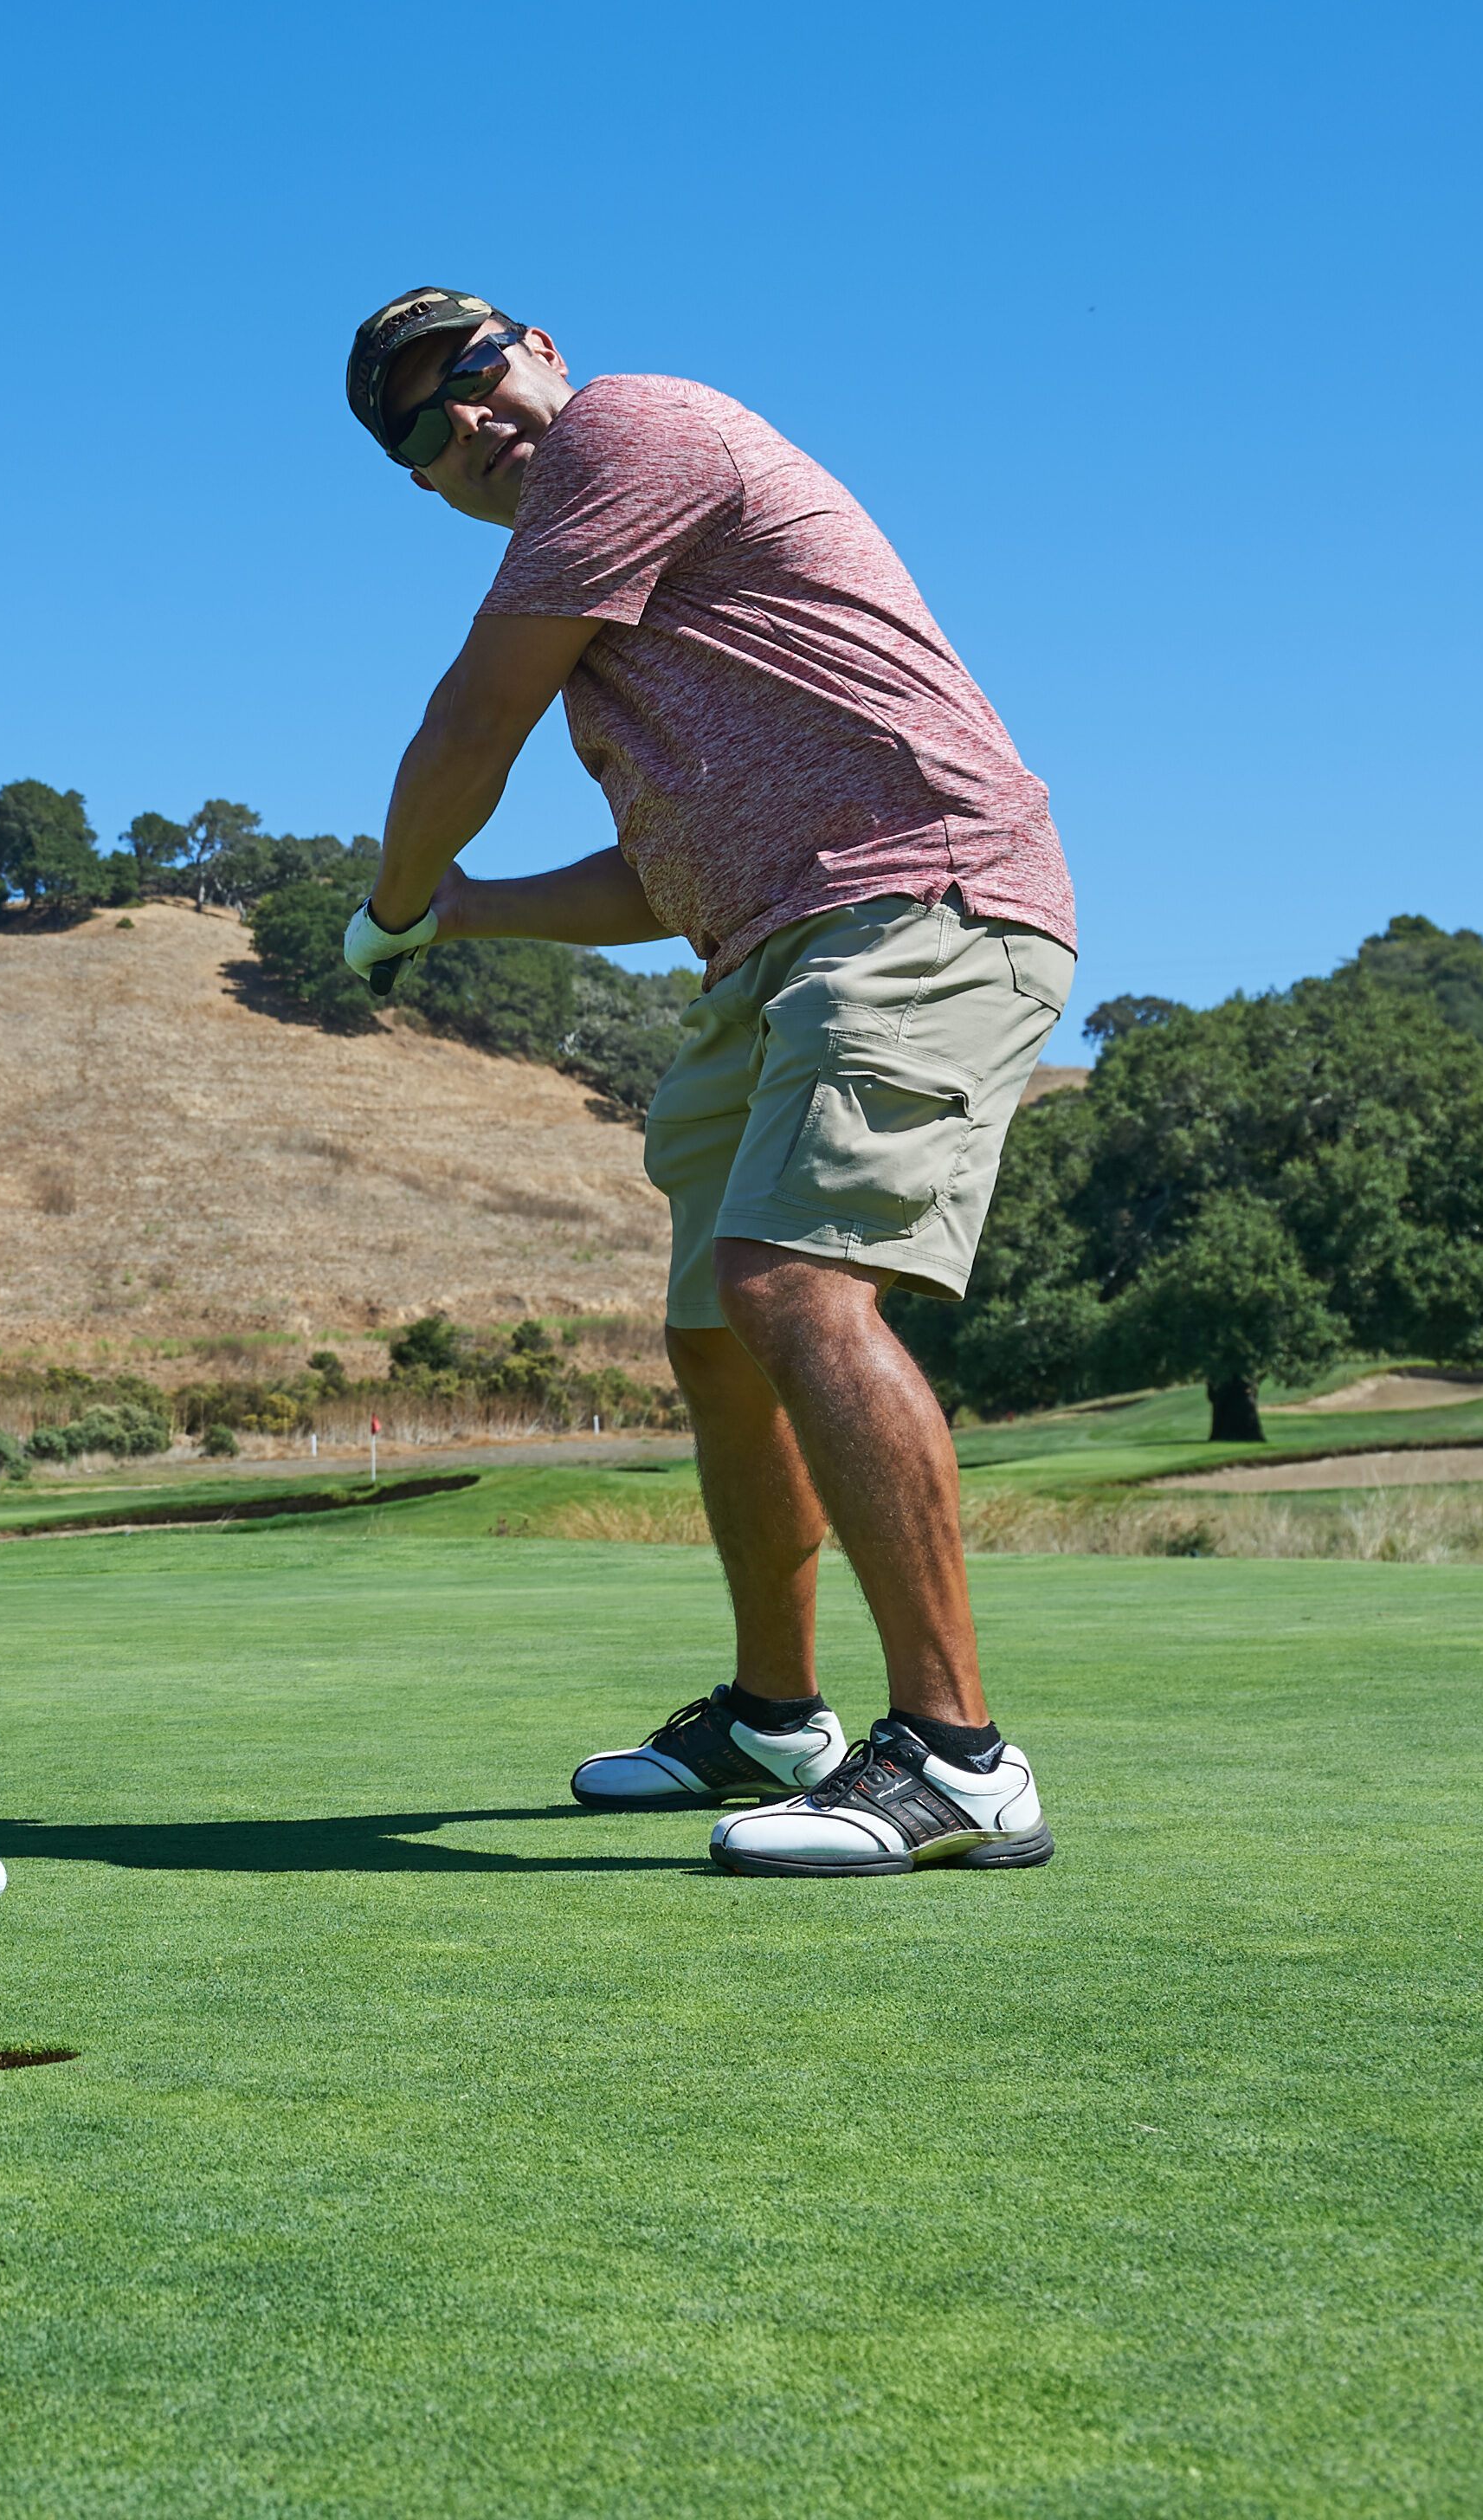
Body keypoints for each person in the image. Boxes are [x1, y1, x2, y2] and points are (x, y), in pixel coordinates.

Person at [337, 288, 1080, 1878]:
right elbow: (658, 880)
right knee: (713, 1332)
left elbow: (470, 723)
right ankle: (774, 1716)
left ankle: (958, 1757)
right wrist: (467, 910)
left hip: (920, 898)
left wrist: (397, 896)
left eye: (473, 371)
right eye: (423, 423)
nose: (469, 419)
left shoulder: (633, 426)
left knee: (793, 1284)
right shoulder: (610, 621)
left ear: (540, 350)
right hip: (764, 945)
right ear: (417, 480)